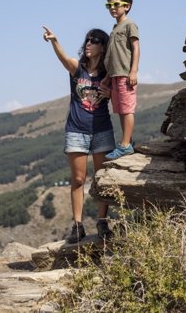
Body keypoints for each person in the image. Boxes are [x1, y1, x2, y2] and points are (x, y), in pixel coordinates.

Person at [42, 26, 114, 243]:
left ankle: (102, 222)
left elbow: (122, 94)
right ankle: (78, 225)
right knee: (78, 179)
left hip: (102, 129)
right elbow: (64, 59)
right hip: (76, 131)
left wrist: (111, 93)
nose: (89, 44)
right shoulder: (78, 69)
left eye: (94, 41)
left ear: (103, 46)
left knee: (102, 179)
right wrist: (55, 41)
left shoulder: (108, 74)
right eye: (87, 40)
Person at [102, 0, 140, 160]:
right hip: (115, 76)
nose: (112, 8)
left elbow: (136, 49)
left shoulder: (129, 25)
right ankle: (127, 141)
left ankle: (125, 145)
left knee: (127, 109)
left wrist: (133, 71)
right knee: (120, 110)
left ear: (127, 6)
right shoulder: (115, 28)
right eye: (109, 5)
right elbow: (113, 56)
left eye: (116, 4)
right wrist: (108, 76)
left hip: (125, 75)